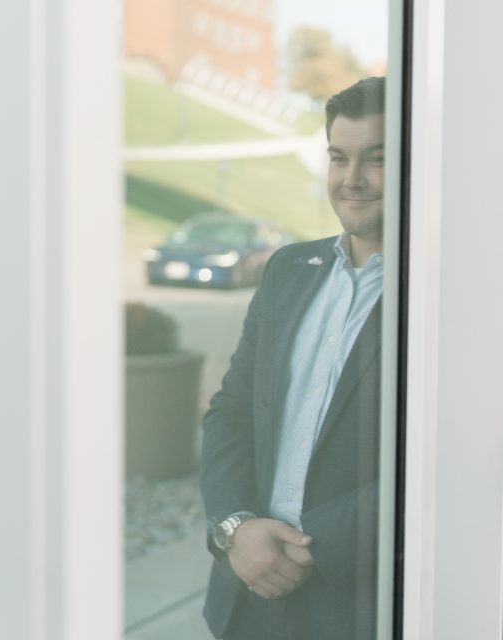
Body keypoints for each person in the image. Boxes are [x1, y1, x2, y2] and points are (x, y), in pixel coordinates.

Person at [201, 76, 386, 640]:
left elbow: (441, 459)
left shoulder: (445, 293)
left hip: (356, 602)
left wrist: (308, 546)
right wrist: (237, 529)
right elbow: (230, 412)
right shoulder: (287, 270)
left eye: (376, 160)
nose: (351, 180)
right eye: (338, 157)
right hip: (245, 594)